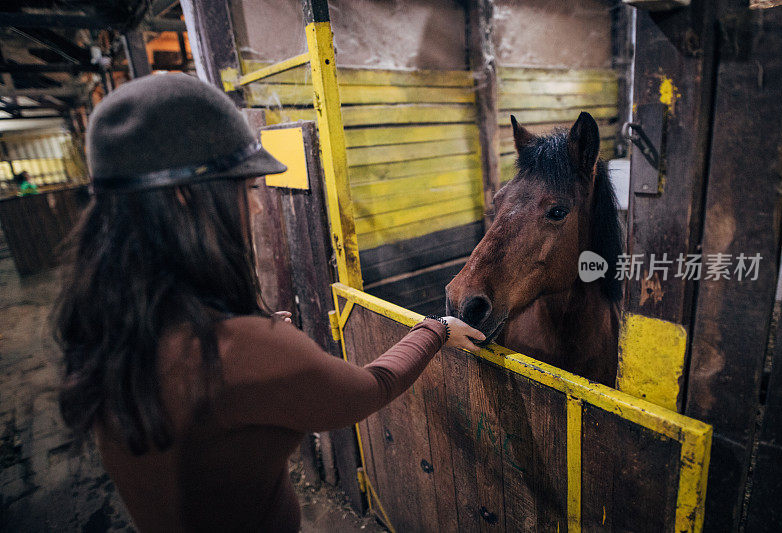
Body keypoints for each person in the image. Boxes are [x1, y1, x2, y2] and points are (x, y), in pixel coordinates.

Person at [54, 73, 484, 532]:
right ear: (184, 198)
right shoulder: (239, 351)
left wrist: (254, 342)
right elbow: (369, 388)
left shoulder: (105, 326)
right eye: (244, 190)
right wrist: (436, 329)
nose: (256, 207)